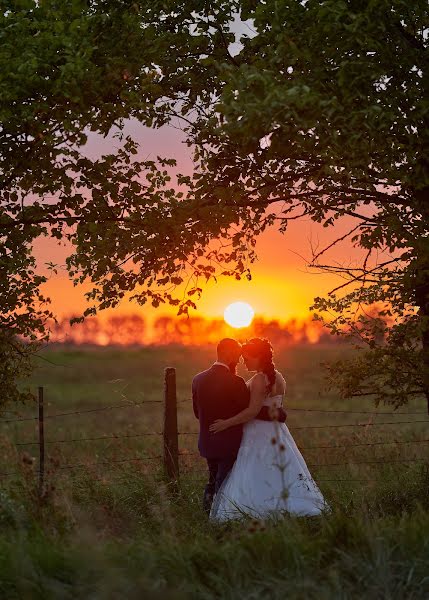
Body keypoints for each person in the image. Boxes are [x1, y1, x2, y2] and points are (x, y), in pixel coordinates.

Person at [208, 338, 327, 522]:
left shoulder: (258, 380)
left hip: (258, 432)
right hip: (278, 431)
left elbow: (252, 411)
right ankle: (282, 506)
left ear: (259, 357)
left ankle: (258, 508)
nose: (245, 362)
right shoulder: (279, 377)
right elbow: (275, 408)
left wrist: (226, 423)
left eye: (247, 358)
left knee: (256, 468)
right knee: (278, 469)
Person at [192, 338, 287, 514]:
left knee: (214, 479)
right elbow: (251, 409)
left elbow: (198, 413)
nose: (241, 360)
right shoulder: (236, 382)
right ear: (228, 354)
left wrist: (217, 422)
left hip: (208, 441)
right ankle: (220, 513)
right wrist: (278, 414)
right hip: (230, 441)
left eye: (246, 356)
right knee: (226, 480)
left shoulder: (198, 379)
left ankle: (211, 513)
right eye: (239, 355)